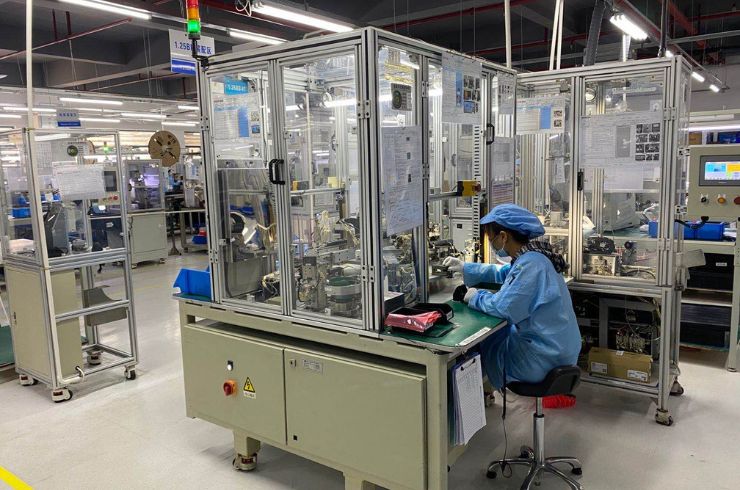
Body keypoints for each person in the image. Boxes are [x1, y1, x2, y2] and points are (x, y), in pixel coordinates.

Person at [442, 204, 581, 390]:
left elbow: (503, 308)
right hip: (559, 351)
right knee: (500, 335)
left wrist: (475, 297)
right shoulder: (535, 258)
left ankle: (466, 397)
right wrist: (465, 267)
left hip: (543, 360)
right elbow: (504, 272)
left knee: (480, 346)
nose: (491, 243)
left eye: (491, 238)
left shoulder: (530, 265)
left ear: (503, 236)